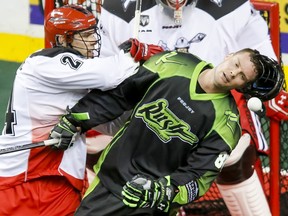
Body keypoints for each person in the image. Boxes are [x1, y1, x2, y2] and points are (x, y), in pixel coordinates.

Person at [90, 0, 282, 215]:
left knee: (235, 157)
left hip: (210, 102)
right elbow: (103, 74)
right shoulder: (118, 7)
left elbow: (263, 68)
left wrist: (272, 95)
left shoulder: (233, 6)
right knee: (91, 136)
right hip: (143, 100)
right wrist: (124, 62)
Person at [49, 48, 284, 215]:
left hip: (151, 205)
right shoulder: (173, 63)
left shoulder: (227, 126)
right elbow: (120, 95)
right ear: (228, 56)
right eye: (236, 65)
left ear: (242, 87)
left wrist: (164, 190)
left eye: (242, 76)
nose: (233, 73)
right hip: (109, 182)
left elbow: (199, 177)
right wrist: (75, 121)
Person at [0, 5, 162, 215]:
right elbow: (111, 74)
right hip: (23, 178)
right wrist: (132, 52)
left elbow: (110, 124)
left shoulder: (78, 79)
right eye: (85, 34)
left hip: (63, 183)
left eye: (94, 32)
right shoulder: (43, 62)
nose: (94, 39)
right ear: (62, 40)